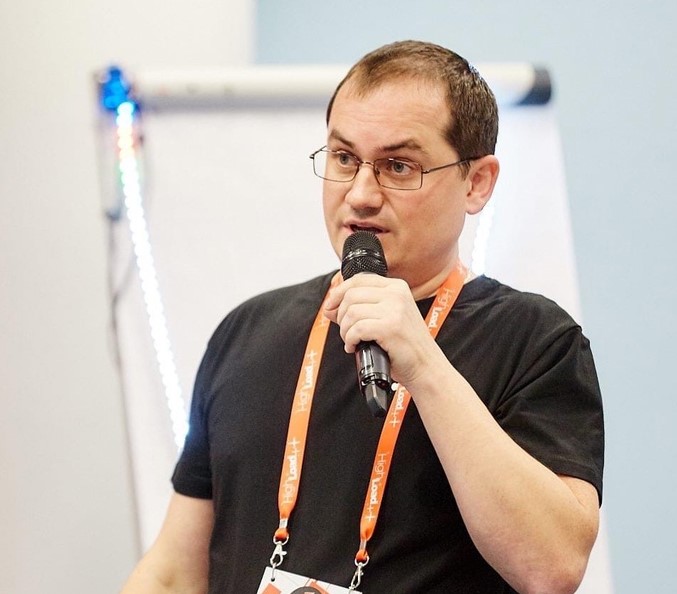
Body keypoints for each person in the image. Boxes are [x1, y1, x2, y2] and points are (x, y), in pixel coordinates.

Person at [120, 40, 604, 594]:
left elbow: (552, 567)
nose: (361, 194)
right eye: (344, 159)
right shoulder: (248, 330)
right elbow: (174, 572)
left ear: (477, 183)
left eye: (398, 166)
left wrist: (423, 362)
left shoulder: (535, 340)